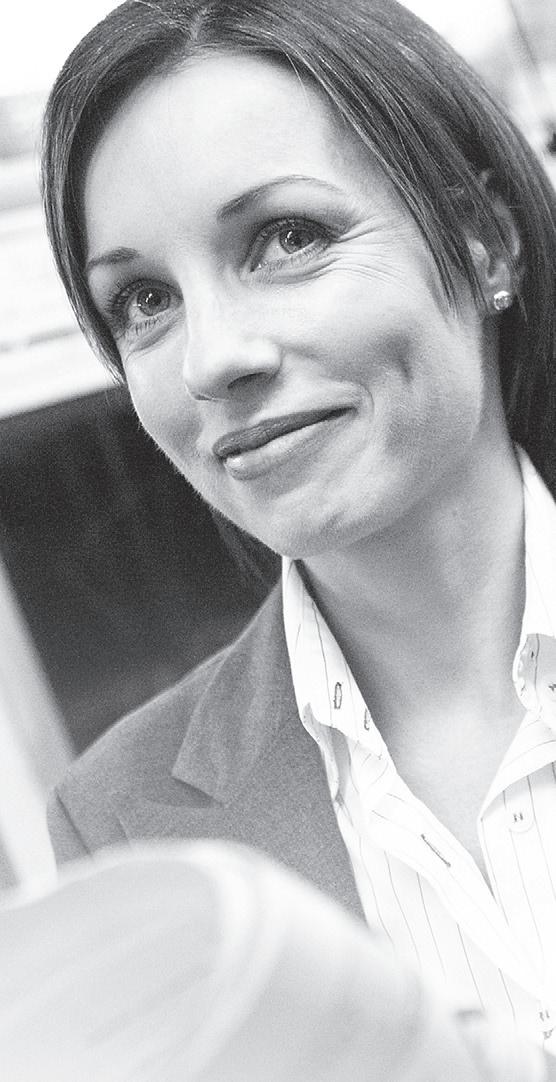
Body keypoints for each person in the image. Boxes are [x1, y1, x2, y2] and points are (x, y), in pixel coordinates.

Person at [41, 0, 556, 1061]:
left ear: (483, 239)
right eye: (144, 300)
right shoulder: (122, 822)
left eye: (287, 238)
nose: (211, 359)